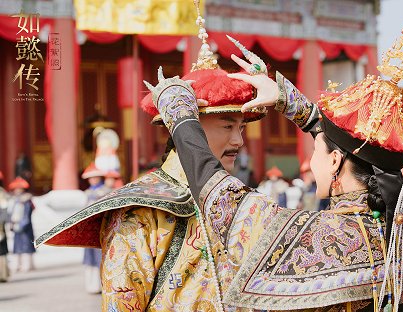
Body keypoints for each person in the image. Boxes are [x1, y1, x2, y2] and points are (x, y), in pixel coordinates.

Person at [142, 16, 403, 311]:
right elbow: (347, 145)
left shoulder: (324, 236)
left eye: (315, 150)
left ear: (335, 161)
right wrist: (290, 102)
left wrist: (180, 115)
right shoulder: (402, 223)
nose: (311, 162)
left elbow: (223, 199)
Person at [34, 8, 267, 311]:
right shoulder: (138, 212)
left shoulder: (242, 202)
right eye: (226, 125)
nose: (238, 140)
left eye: (241, 127)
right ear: (188, 127)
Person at [81, 162, 111, 294]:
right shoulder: (87, 193)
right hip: (89, 229)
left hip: (101, 227)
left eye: (95, 177)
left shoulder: (106, 192)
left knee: (102, 257)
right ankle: (92, 285)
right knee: (90, 258)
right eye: (90, 178)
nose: (92, 180)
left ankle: (104, 285)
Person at [7, 177, 35, 273]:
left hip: (25, 227)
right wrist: (11, 224)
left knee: (26, 246)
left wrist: (23, 225)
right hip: (16, 226)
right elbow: (11, 214)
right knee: (17, 247)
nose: (17, 191)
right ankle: (18, 265)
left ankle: (27, 265)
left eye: (19, 189)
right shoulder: (14, 201)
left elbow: (27, 214)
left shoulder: (26, 200)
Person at [0, 172, 10, 282]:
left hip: (0, 227)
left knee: (1, 251)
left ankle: (2, 274)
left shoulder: (1, 193)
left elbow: (4, 210)